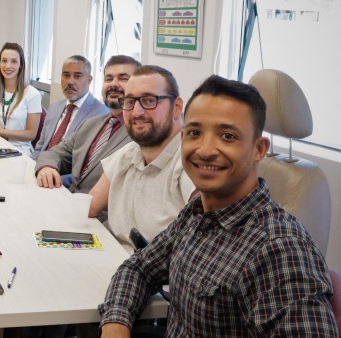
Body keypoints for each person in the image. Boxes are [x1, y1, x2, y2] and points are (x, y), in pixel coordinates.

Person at [99, 75, 338, 337]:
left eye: (227, 136)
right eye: (194, 133)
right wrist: (116, 325)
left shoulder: (280, 249)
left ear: (259, 149)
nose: (205, 149)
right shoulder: (196, 215)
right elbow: (139, 268)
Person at [88, 65, 196, 252]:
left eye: (149, 100)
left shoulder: (191, 162)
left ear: (177, 107)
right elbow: (89, 207)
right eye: (129, 102)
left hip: (151, 276)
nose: (136, 112)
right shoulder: (128, 153)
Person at [35, 55, 140, 193]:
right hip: (67, 198)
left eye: (123, 78)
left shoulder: (141, 134)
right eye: (108, 78)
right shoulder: (91, 124)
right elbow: (55, 153)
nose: (113, 84)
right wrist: (47, 167)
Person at [31, 55, 108, 160]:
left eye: (77, 76)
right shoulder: (54, 107)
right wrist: (35, 165)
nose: (70, 82)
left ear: (89, 80)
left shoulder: (101, 114)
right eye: (66, 75)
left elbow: (87, 161)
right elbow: (40, 146)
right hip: (40, 167)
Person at [0, 42, 42, 156]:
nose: (8, 66)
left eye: (14, 61)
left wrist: (0, 132)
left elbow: (31, 134)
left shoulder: (33, 94)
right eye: (4, 60)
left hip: (19, 149)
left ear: (21, 64)